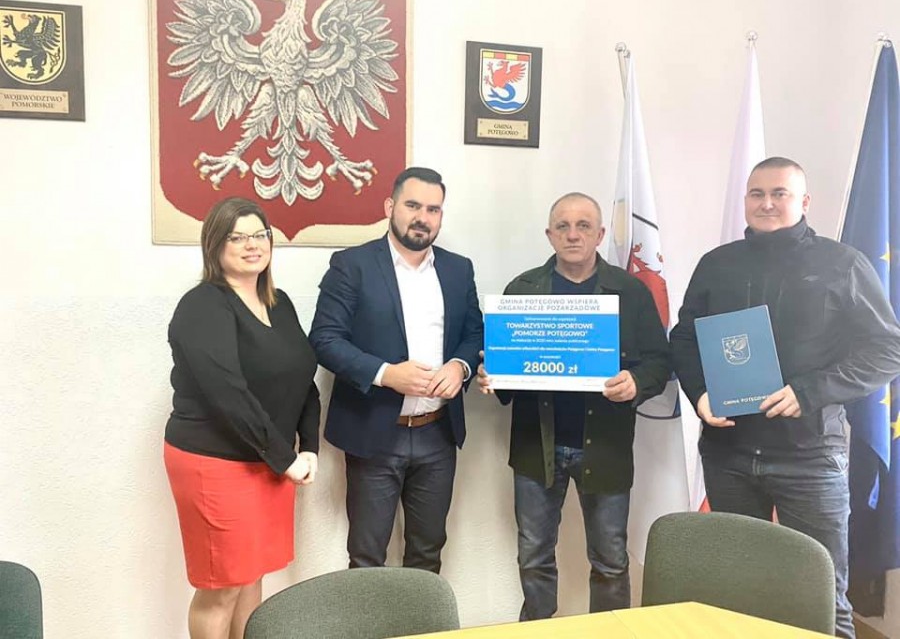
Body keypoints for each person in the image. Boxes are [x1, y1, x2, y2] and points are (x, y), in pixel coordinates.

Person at [670, 157, 900, 639]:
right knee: (736, 592)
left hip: (810, 458)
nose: (767, 203)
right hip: (729, 455)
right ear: (746, 200)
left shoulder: (843, 264)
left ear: (804, 202)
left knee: (821, 597)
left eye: (780, 193)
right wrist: (700, 394)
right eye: (757, 194)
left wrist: (810, 392)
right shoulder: (717, 263)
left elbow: (887, 349)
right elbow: (685, 337)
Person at [477, 192, 670, 620]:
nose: (572, 234)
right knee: (533, 557)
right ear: (549, 235)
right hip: (536, 447)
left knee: (610, 561)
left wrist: (636, 382)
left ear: (600, 235)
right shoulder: (522, 290)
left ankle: (610, 633)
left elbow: (660, 360)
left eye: (583, 226)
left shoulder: (631, 291)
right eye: (562, 226)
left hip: (605, 446)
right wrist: (492, 374)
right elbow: (501, 368)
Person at [309, 166, 483, 573]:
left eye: (433, 209)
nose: (423, 217)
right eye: (413, 205)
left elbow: (474, 333)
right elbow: (325, 339)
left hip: (437, 434)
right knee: (367, 558)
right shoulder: (352, 265)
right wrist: (386, 374)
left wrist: (460, 367)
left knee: (427, 555)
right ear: (390, 206)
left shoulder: (458, 270)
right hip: (374, 434)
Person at [163, 197, 320, 639]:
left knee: (252, 576)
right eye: (238, 237)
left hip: (268, 460)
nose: (253, 245)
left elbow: (303, 376)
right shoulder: (202, 306)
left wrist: (309, 446)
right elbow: (227, 394)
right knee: (222, 586)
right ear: (215, 245)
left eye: (260, 235)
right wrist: (285, 458)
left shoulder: (279, 302)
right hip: (215, 462)